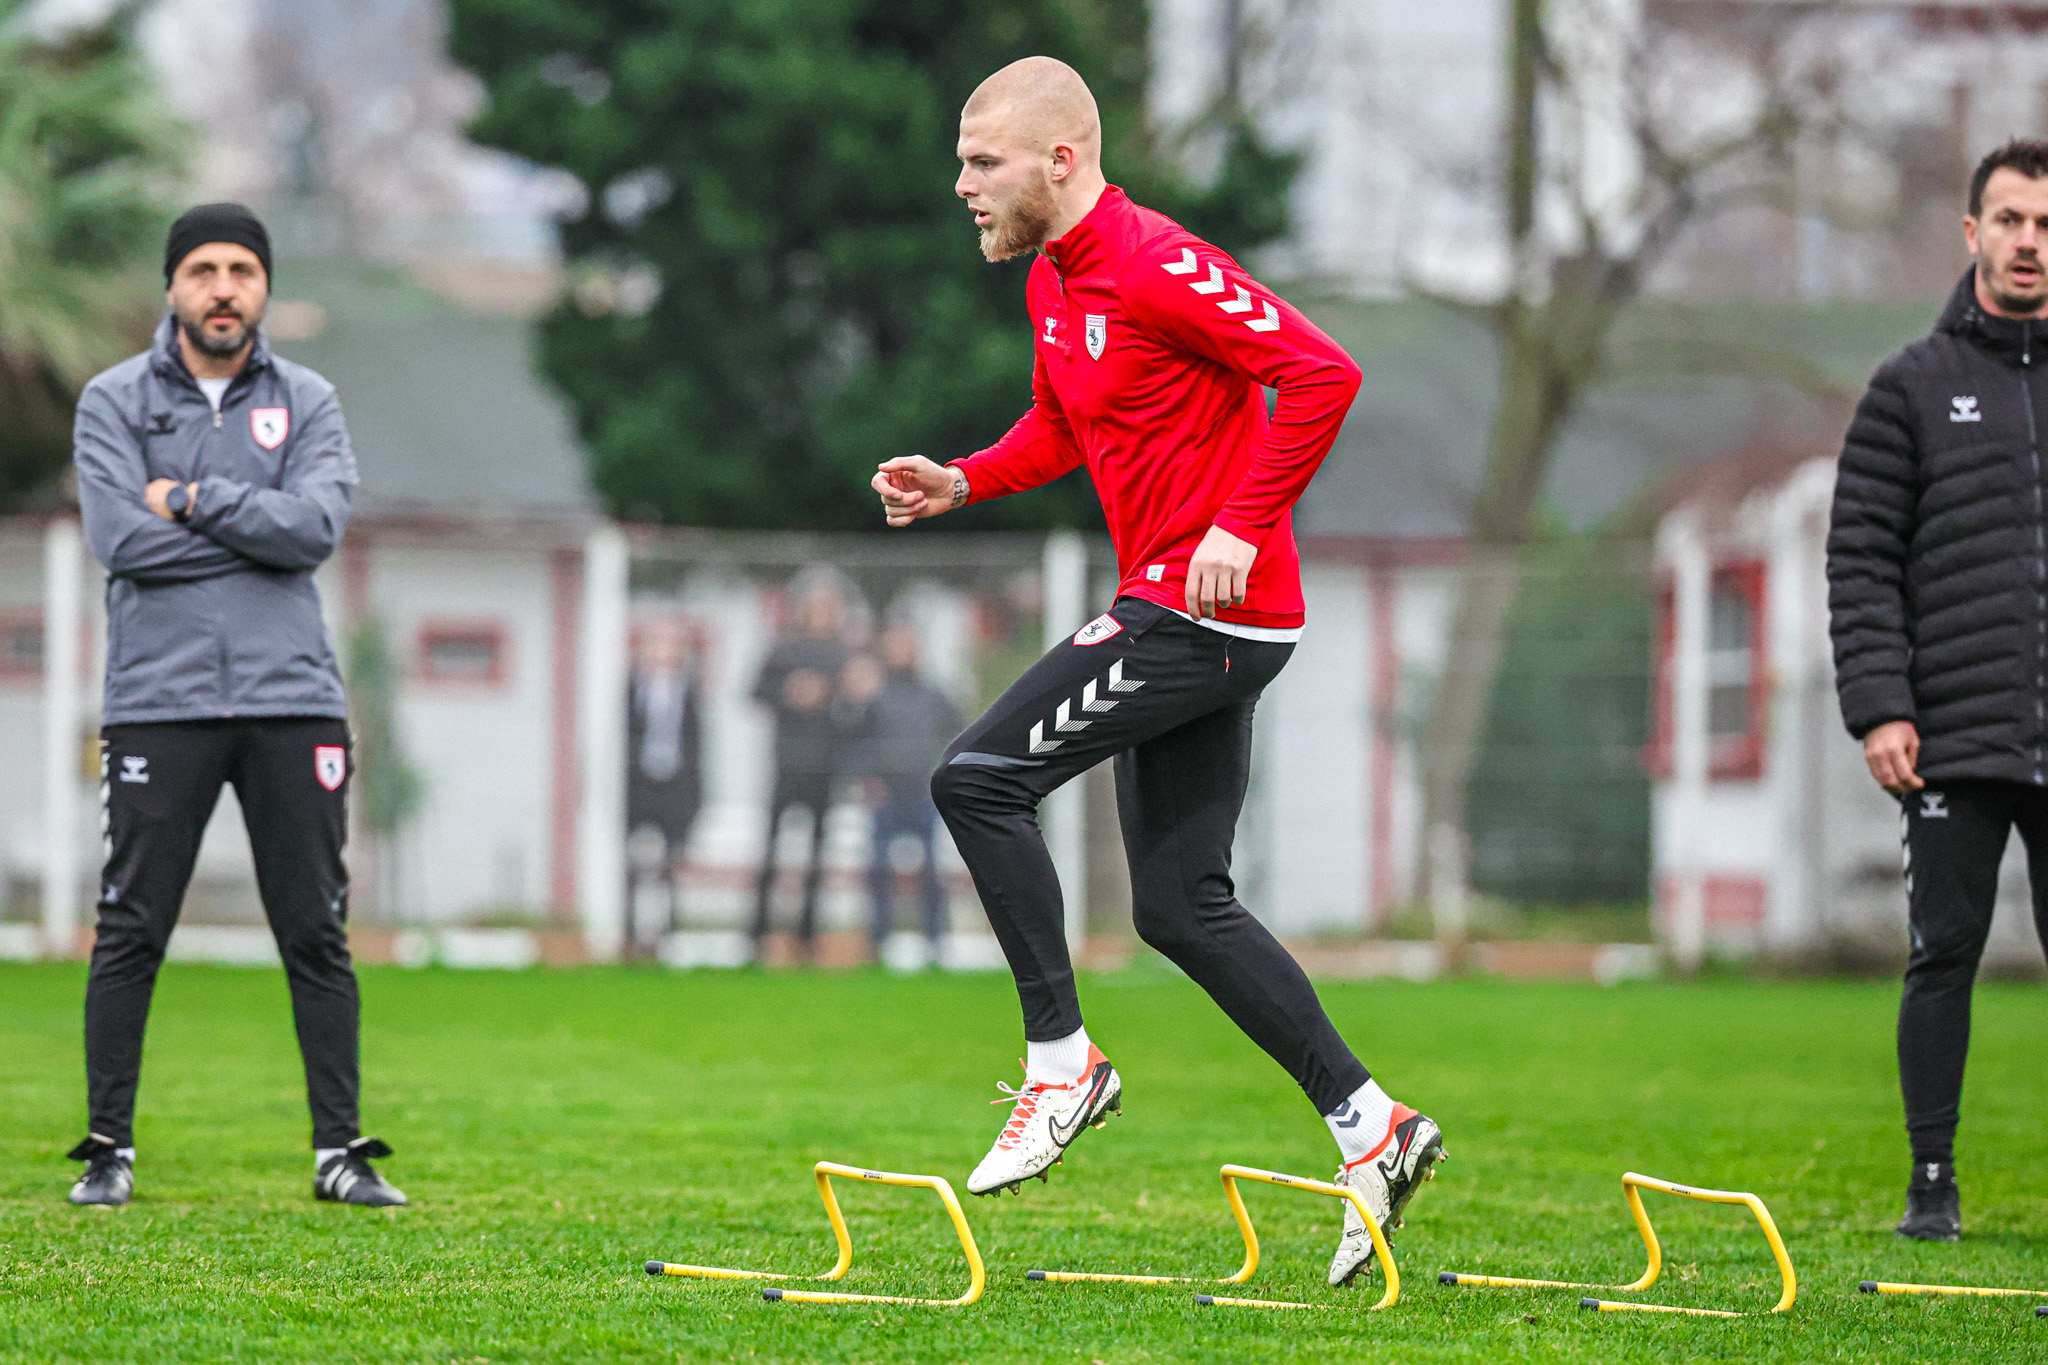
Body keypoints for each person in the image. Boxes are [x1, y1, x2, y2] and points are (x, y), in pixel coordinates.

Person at [871, 57, 1443, 1287]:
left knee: (973, 778)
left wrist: (1240, 522)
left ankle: (1061, 1065)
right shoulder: (1051, 281)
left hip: (1204, 612)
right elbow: (1069, 428)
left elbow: (1318, 372)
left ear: (1061, 162)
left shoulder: (1151, 261)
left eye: (984, 163)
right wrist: (966, 477)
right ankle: (1373, 1128)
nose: (962, 186)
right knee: (1179, 906)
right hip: (1177, 609)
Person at [64, 203, 403, 1207]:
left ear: (263, 287)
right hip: (157, 703)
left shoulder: (310, 400)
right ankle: (107, 1150)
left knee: (315, 930)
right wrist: (249, 521)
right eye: (204, 269)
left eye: (242, 270)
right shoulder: (112, 400)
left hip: (290, 700)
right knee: (130, 928)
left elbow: (315, 530)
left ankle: (339, 1154)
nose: (223, 287)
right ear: (172, 285)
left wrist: (192, 498)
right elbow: (121, 541)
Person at [1828, 138, 2048, 1243]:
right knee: (1944, 952)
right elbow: (1859, 556)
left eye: (2045, 226)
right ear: (1971, 234)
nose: (2027, 243)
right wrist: (1879, 705)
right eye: (2009, 221)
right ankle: (1930, 1186)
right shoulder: (1909, 386)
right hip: (1950, 736)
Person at [843, 626, 963, 965]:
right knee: (880, 869)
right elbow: (856, 742)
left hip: (924, 793)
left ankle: (936, 941)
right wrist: (868, 783)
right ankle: (878, 942)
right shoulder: (874, 697)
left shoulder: (934, 696)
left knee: (930, 872)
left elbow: (958, 736)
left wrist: (942, 779)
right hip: (887, 794)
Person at [749, 582, 853, 961]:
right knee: (772, 850)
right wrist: (790, 691)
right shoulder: (784, 652)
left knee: (817, 854)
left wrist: (827, 695)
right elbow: (755, 691)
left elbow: (858, 704)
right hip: (787, 763)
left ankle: (808, 934)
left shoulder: (843, 656)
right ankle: (758, 931)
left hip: (825, 765)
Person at [626, 617, 705, 958]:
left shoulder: (689, 692)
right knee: (629, 865)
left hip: (674, 787)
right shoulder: (630, 690)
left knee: (672, 864)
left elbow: (699, 745)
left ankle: (670, 934)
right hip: (639, 786)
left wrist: (696, 797)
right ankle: (630, 935)